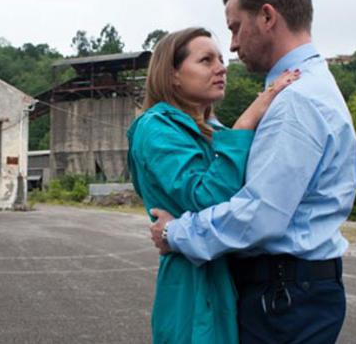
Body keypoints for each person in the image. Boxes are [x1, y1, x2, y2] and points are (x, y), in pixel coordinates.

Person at [148, 0, 356, 343]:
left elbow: (261, 214)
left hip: (283, 297)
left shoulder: (294, 101)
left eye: (234, 27)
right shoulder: (308, 88)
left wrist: (175, 232)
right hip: (295, 292)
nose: (231, 47)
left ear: (267, 17)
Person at [127, 27, 298, 343]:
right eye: (206, 60)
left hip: (224, 274)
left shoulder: (207, 129)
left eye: (220, 59)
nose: (221, 67)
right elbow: (207, 199)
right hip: (194, 285)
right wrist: (246, 123)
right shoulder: (157, 129)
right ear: (173, 75)